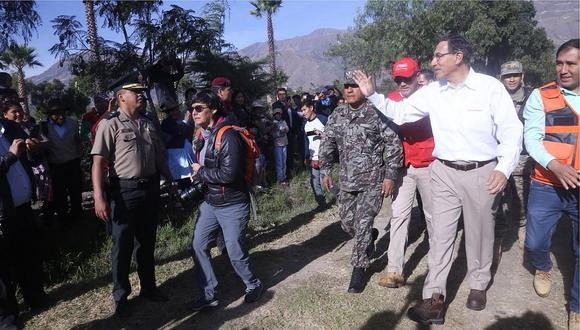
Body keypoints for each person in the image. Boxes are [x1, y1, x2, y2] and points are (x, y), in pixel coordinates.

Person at [353, 33, 523, 323]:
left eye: (437, 56)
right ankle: (434, 297)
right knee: (441, 235)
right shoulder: (434, 92)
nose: (433, 62)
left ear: (458, 57)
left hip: (482, 172)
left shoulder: (489, 88)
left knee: (479, 233)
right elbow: (402, 113)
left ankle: (479, 284)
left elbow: (511, 131)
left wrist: (503, 168)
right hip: (442, 171)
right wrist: (372, 94)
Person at [91, 73, 174, 317]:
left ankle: (149, 287)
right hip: (124, 191)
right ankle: (121, 297)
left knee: (147, 242)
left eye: (142, 92)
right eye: (135, 92)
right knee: (123, 245)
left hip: (150, 188)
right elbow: (98, 162)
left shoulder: (148, 122)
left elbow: (159, 156)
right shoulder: (110, 123)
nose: (141, 95)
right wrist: (99, 197)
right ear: (121, 97)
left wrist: (169, 180)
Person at [319, 74, 403, 294]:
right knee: (348, 223)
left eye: (354, 86)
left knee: (363, 223)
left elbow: (393, 145)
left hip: (372, 181)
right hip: (347, 181)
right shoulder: (338, 114)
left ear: (364, 88)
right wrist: (325, 170)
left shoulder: (376, 112)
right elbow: (327, 143)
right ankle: (368, 239)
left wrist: (390, 175)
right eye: (346, 86)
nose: (349, 90)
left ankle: (359, 269)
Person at [523, 38, 580, 330]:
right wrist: (555, 165)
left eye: (571, 63)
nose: (563, 69)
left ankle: (577, 307)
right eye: (559, 63)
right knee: (534, 242)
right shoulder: (540, 96)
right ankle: (543, 267)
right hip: (547, 184)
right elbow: (531, 138)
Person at [189, 90, 263, 311]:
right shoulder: (202, 134)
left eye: (198, 108)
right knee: (198, 245)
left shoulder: (228, 136)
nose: (193, 112)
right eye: (192, 109)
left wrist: (201, 172)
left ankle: (253, 284)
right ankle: (209, 293)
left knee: (234, 249)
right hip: (211, 201)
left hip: (233, 203)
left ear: (213, 109)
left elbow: (229, 175)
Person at [376, 57, 435, 289]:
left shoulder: (430, 96)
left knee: (433, 217)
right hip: (403, 167)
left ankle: (437, 266)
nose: (402, 83)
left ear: (417, 76)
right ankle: (394, 271)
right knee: (399, 216)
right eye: (398, 79)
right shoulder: (390, 99)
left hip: (429, 165)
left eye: (407, 78)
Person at [0, 118, 47, 329]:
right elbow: (10, 160)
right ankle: (7, 318)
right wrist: (10, 156)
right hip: (2, 214)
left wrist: (32, 151)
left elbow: (28, 162)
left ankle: (35, 297)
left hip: (22, 208)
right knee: (2, 270)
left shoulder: (9, 127)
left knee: (28, 255)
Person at [499, 60, 534, 249]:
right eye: (507, 76)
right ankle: (503, 232)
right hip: (500, 152)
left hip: (523, 154)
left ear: (522, 76)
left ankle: (522, 225)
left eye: (515, 75)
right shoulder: (496, 96)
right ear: (501, 78)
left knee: (521, 192)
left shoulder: (532, 97)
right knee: (501, 195)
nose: (511, 79)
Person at [40, 98, 83, 222]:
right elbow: (42, 147)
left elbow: (77, 140)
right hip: (56, 166)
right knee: (60, 194)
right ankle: (63, 218)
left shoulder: (73, 123)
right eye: (56, 113)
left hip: (73, 163)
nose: (60, 115)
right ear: (49, 115)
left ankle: (77, 216)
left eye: (62, 112)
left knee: (75, 192)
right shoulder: (44, 128)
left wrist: (79, 155)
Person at [160, 98, 195, 189]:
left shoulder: (177, 121)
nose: (176, 112)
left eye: (176, 110)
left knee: (187, 178)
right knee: (180, 179)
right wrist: (185, 122)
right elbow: (178, 131)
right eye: (173, 111)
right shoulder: (167, 122)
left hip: (184, 153)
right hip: (176, 157)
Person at [301, 99, 329, 207]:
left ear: (311, 108)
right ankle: (322, 204)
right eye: (302, 111)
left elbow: (334, 136)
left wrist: (322, 134)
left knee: (327, 180)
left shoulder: (323, 119)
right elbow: (306, 142)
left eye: (304, 109)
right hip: (313, 157)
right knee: (314, 182)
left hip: (325, 156)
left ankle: (341, 198)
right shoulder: (305, 125)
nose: (303, 113)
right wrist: (306, 156)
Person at [271, 107, 289, 185]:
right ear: (274, 115)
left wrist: (283, 130)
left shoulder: (283, 121)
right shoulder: (273, 123)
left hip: (284, 143)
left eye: (279, 114)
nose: (278, 115)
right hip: (277, 145)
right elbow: (273, 134)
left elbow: (287, 130)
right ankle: (280, 178)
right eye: (276, 114)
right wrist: (281, 132)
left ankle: (284, 177)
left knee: (284, 162)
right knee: (279, 162)